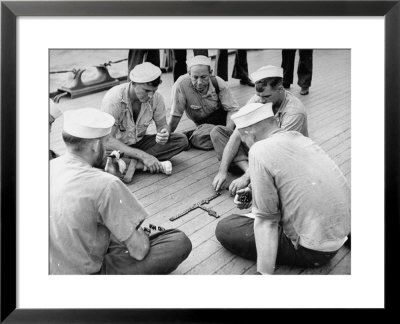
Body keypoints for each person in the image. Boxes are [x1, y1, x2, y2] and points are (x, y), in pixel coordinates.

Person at [50, 108, 192, 275]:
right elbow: (139, 251)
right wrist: (138, 233)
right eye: (107, 141)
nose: (109, 147)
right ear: (96, 145)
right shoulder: (106, 184)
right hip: (86, 273)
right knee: (178, 241)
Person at [215, 102, 350, 275]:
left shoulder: (258, 149)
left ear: (249, 133)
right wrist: (254, 192)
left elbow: (267, 222)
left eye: (243, 139)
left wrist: (263, 274)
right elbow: (296, 184)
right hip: (339, 234)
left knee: (226, 227)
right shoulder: (300, 139)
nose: (246, 143)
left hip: (314, 251)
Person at [211, 65, 308, 195]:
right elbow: (236, 135)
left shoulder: (294, 112)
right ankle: (250, 170)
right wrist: (222, 171)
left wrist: (245, 179)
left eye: (266, 96)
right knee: (218, 133)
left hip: (283, 156)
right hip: (261, 150)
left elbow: (276, 151)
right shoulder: (258, 99)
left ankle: (252, 172)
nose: (261, 101)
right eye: (258, 95)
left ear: (280, 89)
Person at [101, 62, 188, 183]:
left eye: (154, 90)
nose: (151, 95)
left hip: (139, 143)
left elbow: (162, 126)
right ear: (134, 83)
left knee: (181, 140)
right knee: (98, 156)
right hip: (116, 147)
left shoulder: (156, 98)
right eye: (146, 90)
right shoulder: (113, 99)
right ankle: (142, 164)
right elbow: (108, 141)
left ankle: (129, 165)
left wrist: (164, 133)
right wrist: (143, 156)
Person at [168, 55, 239, 150]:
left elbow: (232, 109)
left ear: (210, 73)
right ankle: (195, 136)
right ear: (189, 74)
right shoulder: (181, 85)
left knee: (243, 127)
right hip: (203, 126)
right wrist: (167, 136)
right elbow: (175, 115)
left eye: (204, 77)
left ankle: (207, 136)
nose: (199, 82)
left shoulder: (218, 83)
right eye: (195, 77)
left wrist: (227, 132)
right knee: (203, 137)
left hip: (224, 120)